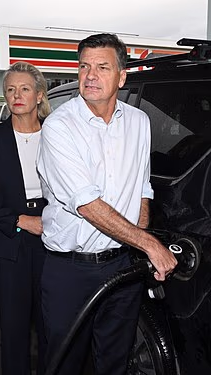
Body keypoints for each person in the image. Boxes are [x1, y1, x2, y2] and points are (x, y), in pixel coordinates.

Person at [37, 33, 178, 375]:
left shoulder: (139, 121)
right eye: (84, 66)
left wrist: (137, 244)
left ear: (121, 76)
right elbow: (86, 203)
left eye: (102, 67)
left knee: (115, 362)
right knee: (64, 364)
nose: (90, 75)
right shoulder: (59, 126)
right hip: (71, 270)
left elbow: (142, 185)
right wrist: (149, 244)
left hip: (122, 266)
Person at [0, 61, 50, 375]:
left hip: (54, 237)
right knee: (14, 327)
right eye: (11, 89)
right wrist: (22, 220)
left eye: (25, 89)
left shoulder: (57, 136)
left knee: (52, 324)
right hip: (8, 239)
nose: (17, 95)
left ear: (39, 95)